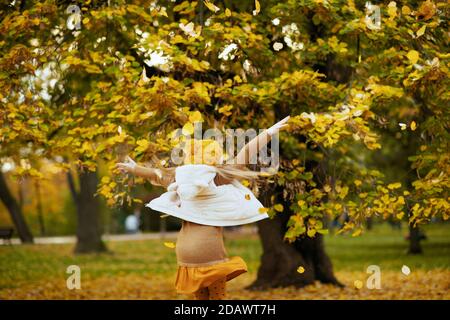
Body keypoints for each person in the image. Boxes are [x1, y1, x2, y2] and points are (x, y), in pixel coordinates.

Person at [116, 117, 289, 300]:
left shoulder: (179, 179)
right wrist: (269, 133)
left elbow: (157, 175)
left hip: (186, 255)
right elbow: (245, 154)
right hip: (210, 255)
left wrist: (134, 168)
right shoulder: (216, 178)